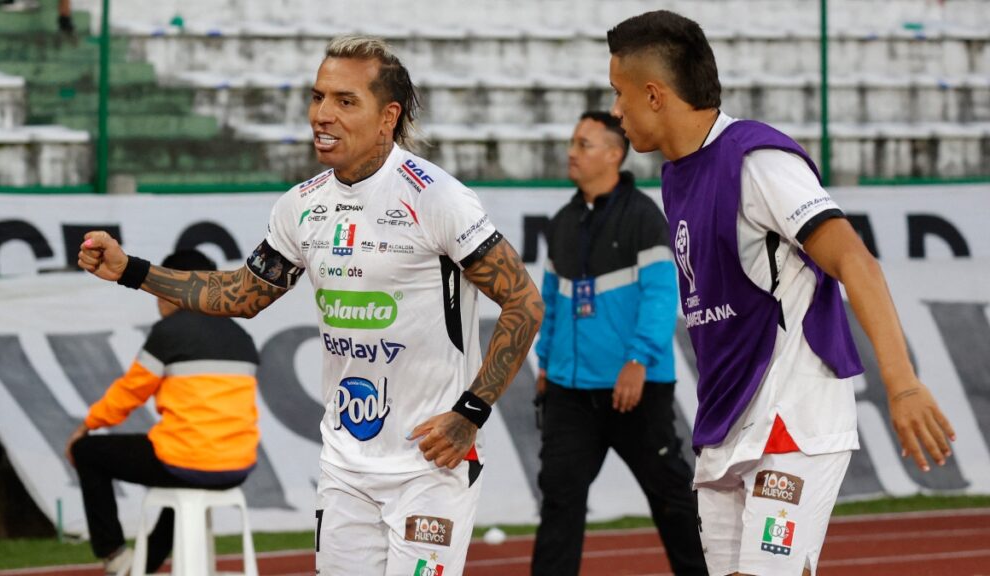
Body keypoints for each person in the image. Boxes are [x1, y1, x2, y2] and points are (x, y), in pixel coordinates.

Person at [76, 35, 543, 576]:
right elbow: (241, 294)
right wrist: (132, 271)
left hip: (428, 468)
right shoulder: (301, 206)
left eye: (346, 101)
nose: (322, 114)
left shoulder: (436, 198)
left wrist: (470, 414)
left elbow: (523, 303)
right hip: (345, 465)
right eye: (317, 97)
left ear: (388, 116)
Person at [606, 11, 956, 576]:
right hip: (724, 424)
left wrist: (903, 384)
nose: (615, 110)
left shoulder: (757, 159)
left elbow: (855, 262)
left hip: (791, 417)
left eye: (618, 93)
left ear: (654, 94)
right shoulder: (676, 175)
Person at [531, 111, 707, 575]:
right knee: (559, 500)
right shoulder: (563, 221)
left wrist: (637, 360)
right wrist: (545, 365)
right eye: (572, 142)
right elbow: (550, 302)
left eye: (584, 144)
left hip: (636, 388)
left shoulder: (645, 217)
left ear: (614, 154)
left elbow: (660, 295)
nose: (572, 151)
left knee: (671, 499)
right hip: (570, 394)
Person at [65, 249, 260, 575]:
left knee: (87, 452)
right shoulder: (242, 337)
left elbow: (129, 394)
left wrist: (87, 426)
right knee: (184, 484)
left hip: (186, 459)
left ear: (174, 287)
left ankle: (115, 557)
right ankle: (141, 567)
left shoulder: (170, 332)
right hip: (238, 465)